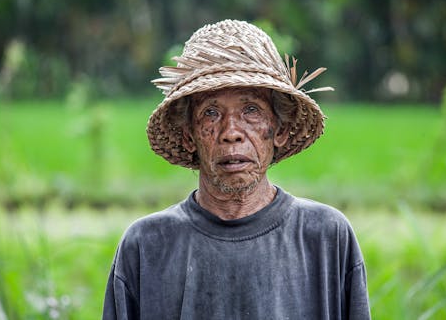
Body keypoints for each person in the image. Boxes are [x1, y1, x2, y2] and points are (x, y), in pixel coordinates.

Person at [103, 19, 371, 320]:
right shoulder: (146, 246)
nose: (231, 132)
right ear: (189, 135)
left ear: (278, 130)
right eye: (212, 113)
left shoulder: (326, 237)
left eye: (251, 110)